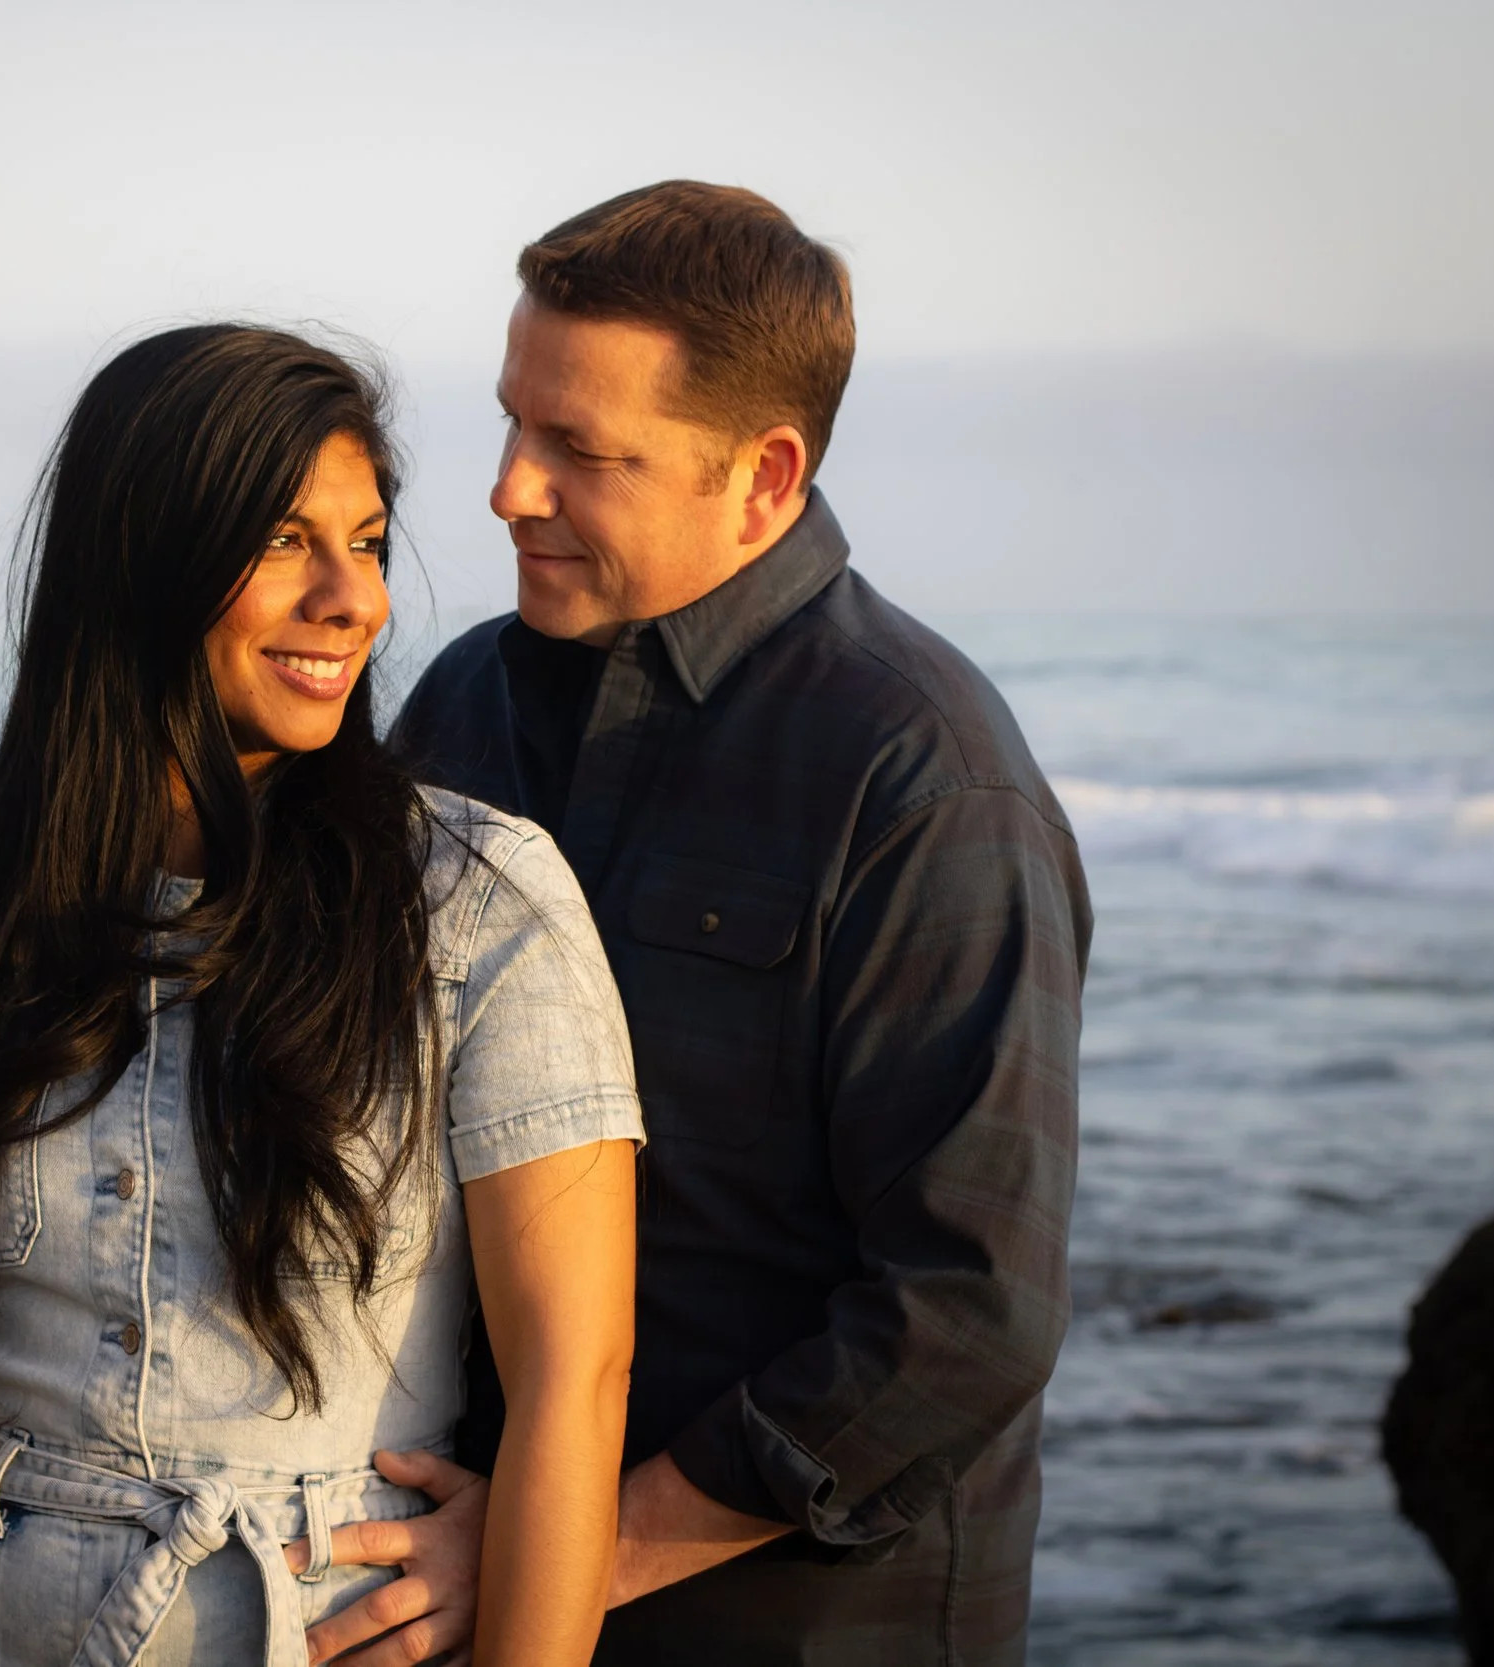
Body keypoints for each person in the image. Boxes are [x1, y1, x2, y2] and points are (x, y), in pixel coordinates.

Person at [0, 324, 646, 1667]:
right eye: (287, 539)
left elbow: (573, 1396)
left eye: (365, 542)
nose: (353, 598)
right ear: (139, 563)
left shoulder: (477, 904)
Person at [306, 183, 1092, 1665]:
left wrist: (564, 1551)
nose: (506, 492)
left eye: (583, 452)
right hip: (453, 1583)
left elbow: (968, 1312)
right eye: (511, 422)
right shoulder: (465, 702)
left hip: (793, 1628)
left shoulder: (925, 782)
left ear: (765, 473)